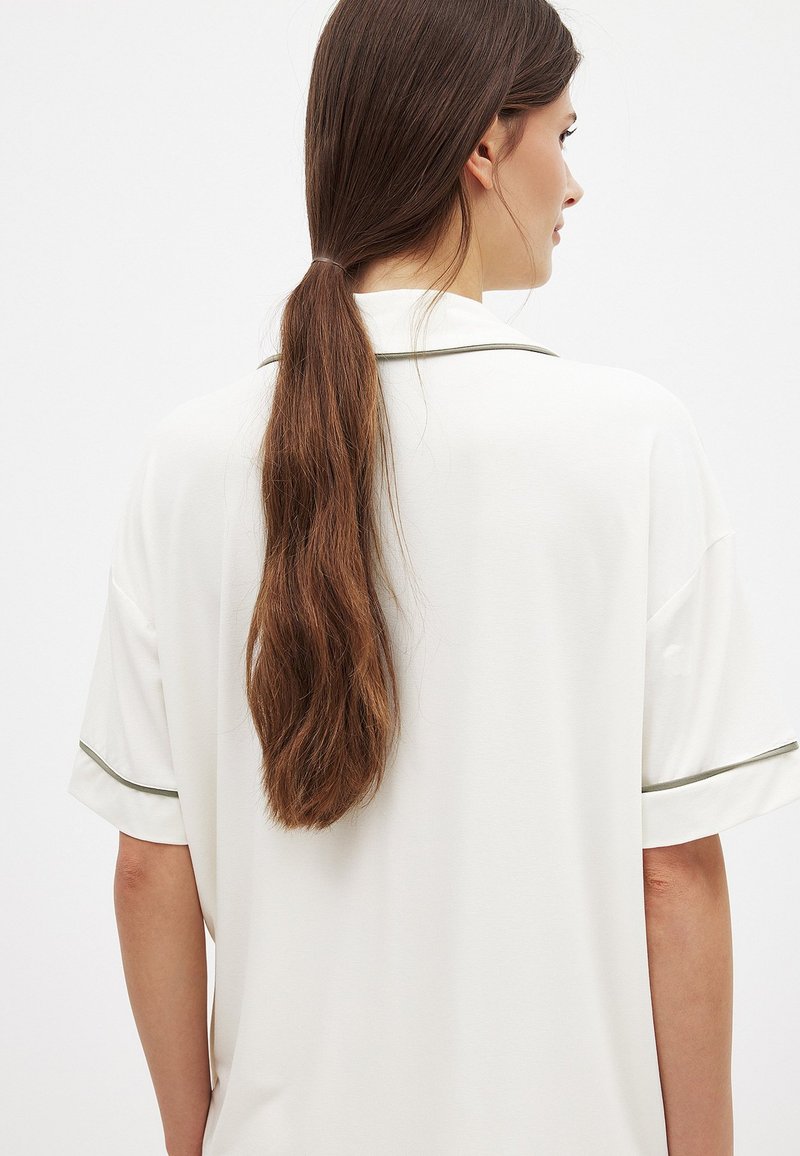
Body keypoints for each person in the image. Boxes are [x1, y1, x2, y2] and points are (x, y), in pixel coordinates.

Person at [67, 0, 800, 1152]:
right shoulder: (631, 443)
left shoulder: (186, 460)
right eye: (562, 134)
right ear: (483, 145)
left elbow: (147, 875)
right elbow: (672, 877)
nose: (571, 184)